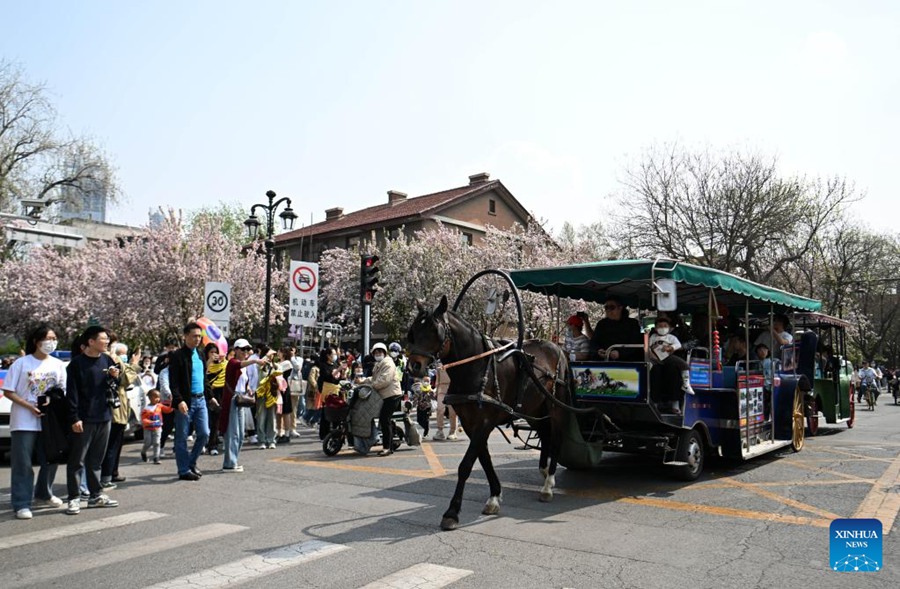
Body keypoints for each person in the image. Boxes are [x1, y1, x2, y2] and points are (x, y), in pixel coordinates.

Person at [4, 325, 67, 520]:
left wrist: (51, 400)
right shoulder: (21, 364)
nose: (52, 341)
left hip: (49, 421)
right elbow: (8, 391)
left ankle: (43, 493)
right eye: (48, 338)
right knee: (22, 462)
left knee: (51, 458)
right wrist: (29, 406)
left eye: (54, 338)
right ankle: (21, 503)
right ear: (36, 341)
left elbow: (62, 390)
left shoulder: (58, 364)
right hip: (24, 421)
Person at [65, 325, 120, 514]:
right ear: (90, 341)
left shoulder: (107, 359)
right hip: (84, 419)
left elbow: (114, 385)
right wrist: (74, 417)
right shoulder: (77, 364)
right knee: (77, 461)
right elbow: (71, 394)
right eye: (103, 339)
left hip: (104, 416)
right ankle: (74, 498)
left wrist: (115, 377)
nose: (106, 342)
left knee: (96, 460)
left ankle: (96, 495)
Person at [168, 322, 211, 481]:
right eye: (194, 336)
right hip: (185, 401)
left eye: (199, 336)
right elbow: (174, 382)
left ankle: (191, 462)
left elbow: (204, 378)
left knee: (204, 433)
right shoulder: (178, 355)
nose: (197, 339)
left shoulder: (200, 354)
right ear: (185, 336)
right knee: (182, 436)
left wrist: (210, 396)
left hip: (201, 400)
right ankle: (183, 470)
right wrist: (179, 400)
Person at [220, 339, 267, 473]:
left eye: (247, 349)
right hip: (233, 399)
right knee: (233, 433)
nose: (245, 352)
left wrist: (249, 389)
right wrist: (255, 360)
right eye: (242, 349)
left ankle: (233, 461)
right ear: (235, 350)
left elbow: (243, 380)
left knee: (240, 433)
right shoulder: (232, 362)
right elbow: (237, 365)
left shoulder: (244, 366)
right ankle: (229, 463)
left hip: (241, 398)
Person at [101, 340, 137, 490]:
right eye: (120, 354)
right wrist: (133, 364)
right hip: (113, 410)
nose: (122, 357)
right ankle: (106, 476)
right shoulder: (107, 361)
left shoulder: (114, 362)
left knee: (116, 443)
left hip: (120, 409)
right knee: (110, 445)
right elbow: (126, 379)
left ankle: (111, 473)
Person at [355, 342, 402, 456]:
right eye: (376, 352)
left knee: (384, 420)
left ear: (384, 353)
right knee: (384, 420)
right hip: (385, 395)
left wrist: (371, 386)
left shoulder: (388, 363)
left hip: (392, 395)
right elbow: (375, 378)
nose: (378, 354)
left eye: (380, 352)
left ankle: (387, 448)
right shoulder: (379, 364)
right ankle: (388, 444)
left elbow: (384, 380)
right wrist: (363, 381)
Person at [648, 316, 695, 414]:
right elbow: (648, 347)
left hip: (669, 358)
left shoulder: (671, 337)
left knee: (679, 367)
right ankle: (655, 403)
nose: (662, 328)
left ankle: (684, 388)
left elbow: (677, 345)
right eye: (659, 326)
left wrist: (671, 348)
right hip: (655, 360)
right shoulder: (653, 337)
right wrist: (651, 354)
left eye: (665, 326)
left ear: (669, 328)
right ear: (655, 328)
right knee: (654, 372)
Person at [585, 294, 643, 361]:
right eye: (606, 307)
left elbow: (636, 344)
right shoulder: (601, 324)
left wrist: (620, 353)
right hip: (604, 362)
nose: (608, 310)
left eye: (612, 307)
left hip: (627, 362)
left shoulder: (632, 323)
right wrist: (598, 350)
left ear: (620, 308)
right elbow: (594, 342)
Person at [140, 388, 173, 464]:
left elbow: (168, 410)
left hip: (157, 428)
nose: (158, 399)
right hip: (148, 428)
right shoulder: (146, 409)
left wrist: (172, 403)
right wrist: (150, 422)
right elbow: (143, 419)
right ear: (150, 398)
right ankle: (143, 451)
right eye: (156, 397)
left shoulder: (159, 406)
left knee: (157, 442)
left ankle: (156, 457)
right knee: (148, 442)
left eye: (159, 397)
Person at [204, 343, 226, 456]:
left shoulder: (222, 364)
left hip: (219, 394)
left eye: (215, 352)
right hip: (206, 394)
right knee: (205, 421)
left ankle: (213, 445)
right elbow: (203, 373)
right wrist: (209, 361)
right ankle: (203, 443)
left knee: (216, 420)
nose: (214, 355)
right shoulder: (204, 363)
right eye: (211, 352)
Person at [317, 347, 342, 440]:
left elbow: (337, 378)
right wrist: (339, 370)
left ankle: (335, 432)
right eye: (334, 354)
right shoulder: (324, 366)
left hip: (336, 390)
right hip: (327, 391)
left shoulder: (335, 364)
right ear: (328, 356)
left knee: (336, 411)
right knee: (326, 412)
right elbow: (328, 377)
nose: (335, 356)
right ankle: (324, 434)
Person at [432, 363, 458, 441]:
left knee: (452, 412)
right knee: (440, 410)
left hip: (452, 388)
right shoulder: (439, 365)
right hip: (441, 388)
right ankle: (440, 431)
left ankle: (453, 432)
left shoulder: (454, 363)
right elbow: (437, 379)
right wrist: (436, 391)